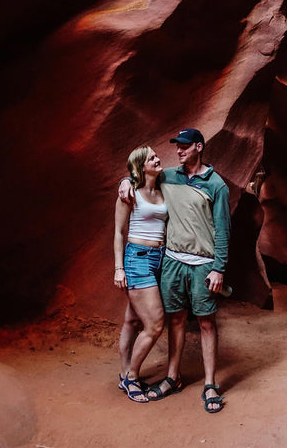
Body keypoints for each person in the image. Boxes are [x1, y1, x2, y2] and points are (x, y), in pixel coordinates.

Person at [118, 128, 230, 413]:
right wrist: (125, 181)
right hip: (172, 261)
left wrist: (218, 268)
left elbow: (223, 232)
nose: (178, 151)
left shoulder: (216, 185)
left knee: (206, 322)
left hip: (203, 265)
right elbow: (140, 177)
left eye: (184, 147)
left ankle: (210, 385)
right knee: (176, 320)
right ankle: (172, 377)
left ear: (199, 147)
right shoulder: (169, 175)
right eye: (177, 147)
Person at [114, 145, 168, 403]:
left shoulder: (162, 188)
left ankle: (124, 372)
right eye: (151, 158)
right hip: (137, 259)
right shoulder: (129, 192)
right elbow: (118, 232)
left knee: (133, 321)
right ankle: (131, 378)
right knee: (155, 323)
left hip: (159, 259)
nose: (158, 159)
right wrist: (118, 268)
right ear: (140, 166)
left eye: (156, 156)